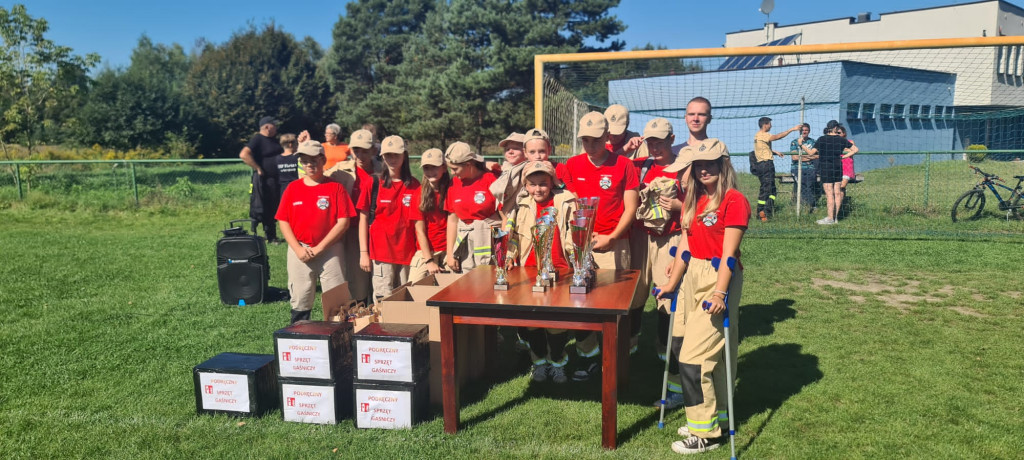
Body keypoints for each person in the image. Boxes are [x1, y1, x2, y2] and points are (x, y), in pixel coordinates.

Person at [655, 138, 749, 455]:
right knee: (693, 348)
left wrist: (720, 291)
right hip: (693, 275)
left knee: (694, 359)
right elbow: (686, 244)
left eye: (710, 163)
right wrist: (671, 284)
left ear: (724, 165)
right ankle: (717, 416)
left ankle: (705, 434)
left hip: (718, 276)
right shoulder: (696, 200)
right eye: (698, 165)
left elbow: (729, 255)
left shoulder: (734, 201)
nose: (704, 169)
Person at [560, 111, 640, 381]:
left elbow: (631, 207)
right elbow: (566, 203)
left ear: (607, 137)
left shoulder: (624, 166)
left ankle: (613, 361)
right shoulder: (572, 165)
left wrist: (614, 237)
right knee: (580, 303)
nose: (590, 146)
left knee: (612, 305)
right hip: (580, 245)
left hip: (614, 243)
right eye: (585, 140)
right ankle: (588, 357)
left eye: (595, 140)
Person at [632, 118, 688, 408]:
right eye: (649, 141)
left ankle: (675, 383)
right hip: (642, 240)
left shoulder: (684, 166)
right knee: (632, 300)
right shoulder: (640, 165)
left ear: (671, 139)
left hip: (672, 239)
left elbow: (701, 204)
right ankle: (627, 364)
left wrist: (680, 207)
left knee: (668, 306)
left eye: (660, 140)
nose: (654, 146)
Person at [506, 161, 578, 384]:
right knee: (532, 322)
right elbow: (514, 235)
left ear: (552, 183)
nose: (538, 189)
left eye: (543, 184)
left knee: (556, 323)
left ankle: (557, 361)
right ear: (526, 186)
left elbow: (574, 233)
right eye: (533, 184)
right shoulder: (521, 205)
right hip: (529, 270)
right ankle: (538, 362)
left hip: (560, 269)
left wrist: (576, 259)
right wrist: (509, 256)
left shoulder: (565, 201)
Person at [275, 140, 356, 324]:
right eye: (304, 161)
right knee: (301, 297)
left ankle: (339, 342)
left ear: (323, 159)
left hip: (330, 249)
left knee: (337, 301)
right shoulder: (293, 188)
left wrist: (320, 248)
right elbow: (283, 220)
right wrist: (297, 249)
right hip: (300, 250)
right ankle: (300, 340)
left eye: (314, 160)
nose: (309, 165)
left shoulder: (335, 188)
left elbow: (343, 222)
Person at [358, 135, 420, 303]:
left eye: (396, 155)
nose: (392, 159)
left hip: (407, 253)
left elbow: (419, 224)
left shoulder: (415, 185)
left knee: (405, 301)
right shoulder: (373, 183)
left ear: (404, 156)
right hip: (381, 253)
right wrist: (364, 253)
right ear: (382, 157)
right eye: (388, 155)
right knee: (383, 301)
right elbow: (363, 219)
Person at [326, 128, 378, 305]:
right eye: (356, 150)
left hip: (379, 231)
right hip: (352, 231)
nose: (360, 155)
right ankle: (360, 316)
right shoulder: (341, 171)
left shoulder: (384, 169)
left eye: (365, 150)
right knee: (357, 279)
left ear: (373, 150)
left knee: (380, 277)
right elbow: (317, 183)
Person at [444, 142, 500, 273]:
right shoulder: (454, 183)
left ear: (468, 165)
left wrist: (502, 251)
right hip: (464, 244)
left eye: (455, 169)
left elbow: (503, 216)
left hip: (488, 242)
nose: (452, 173)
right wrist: (450, 254)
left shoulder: (490, 179)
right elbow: (452, 220)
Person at [408, 148, 450, 283]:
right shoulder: (418, 194)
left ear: (443, 167)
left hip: (449, 249)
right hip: (427, 251)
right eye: (426, 168)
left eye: (434, 167)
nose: (430, 172)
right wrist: (429, 260)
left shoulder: (452, 189)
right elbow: (419, 231)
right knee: (413, 286)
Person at [239, 116, 284, 243]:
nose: (276, 127)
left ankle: (271, 234)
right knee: (266, 206)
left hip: (276, 178)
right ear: (267, 127)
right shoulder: (258, 139)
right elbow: (243, 154)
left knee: (275, 205)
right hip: (264, 179)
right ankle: (269, 236)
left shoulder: (274, 140)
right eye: (274, 125)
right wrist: (257, 168)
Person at [806, 120, 857, 225]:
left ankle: (830, 218)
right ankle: (836, 218)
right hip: (838, 168)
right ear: (836, 128)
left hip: (826, 168)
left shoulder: (822, 139)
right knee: (837, 192)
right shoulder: (841, 140)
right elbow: (855, 149)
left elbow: (811, 153)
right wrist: (845, 156)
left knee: (829, 194)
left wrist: (801, 144)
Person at [752, 117, 800, 222]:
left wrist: (774, 151)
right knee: (767, 189)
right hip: (766, 165)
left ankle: (764, 211)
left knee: (771, 190)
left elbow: (762, 149)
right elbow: (777, 137)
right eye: (770, 124)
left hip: (761, 164)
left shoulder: (757, 135)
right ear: (765, 124)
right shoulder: (763, 135)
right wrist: (791, 129)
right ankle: (763, 212)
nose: (771, 126)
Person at [490, 132, 529, 224]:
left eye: (516, 148)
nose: (510, 152)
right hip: (503, 217)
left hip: (521, 216)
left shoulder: (529, 169)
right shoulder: (504, 171)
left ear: (526, 151)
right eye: (507, 149)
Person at [789, 123, 818, 211]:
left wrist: (802, 157)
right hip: (797, 167)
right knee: (802, 185)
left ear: (809, 131)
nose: (804, 132)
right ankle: (812, 205)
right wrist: (809, 157)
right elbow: (794, 157)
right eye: (802, 130)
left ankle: (808, 205)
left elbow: (817, 156)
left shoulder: (813, 142)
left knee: (809, 185)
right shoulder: (794, 142)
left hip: (810, 168)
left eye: (806, 130)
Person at [838, 124, 857, 216]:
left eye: (839, 133)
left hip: (846, 167)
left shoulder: (850, 141)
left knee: (841, 186)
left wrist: (844, 150)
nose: (837, 134)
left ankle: (838, 209)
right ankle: (838, 209)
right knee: (837, 189)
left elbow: (852, 150)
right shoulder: (835, 143)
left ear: (844, 134)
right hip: (837, 167)